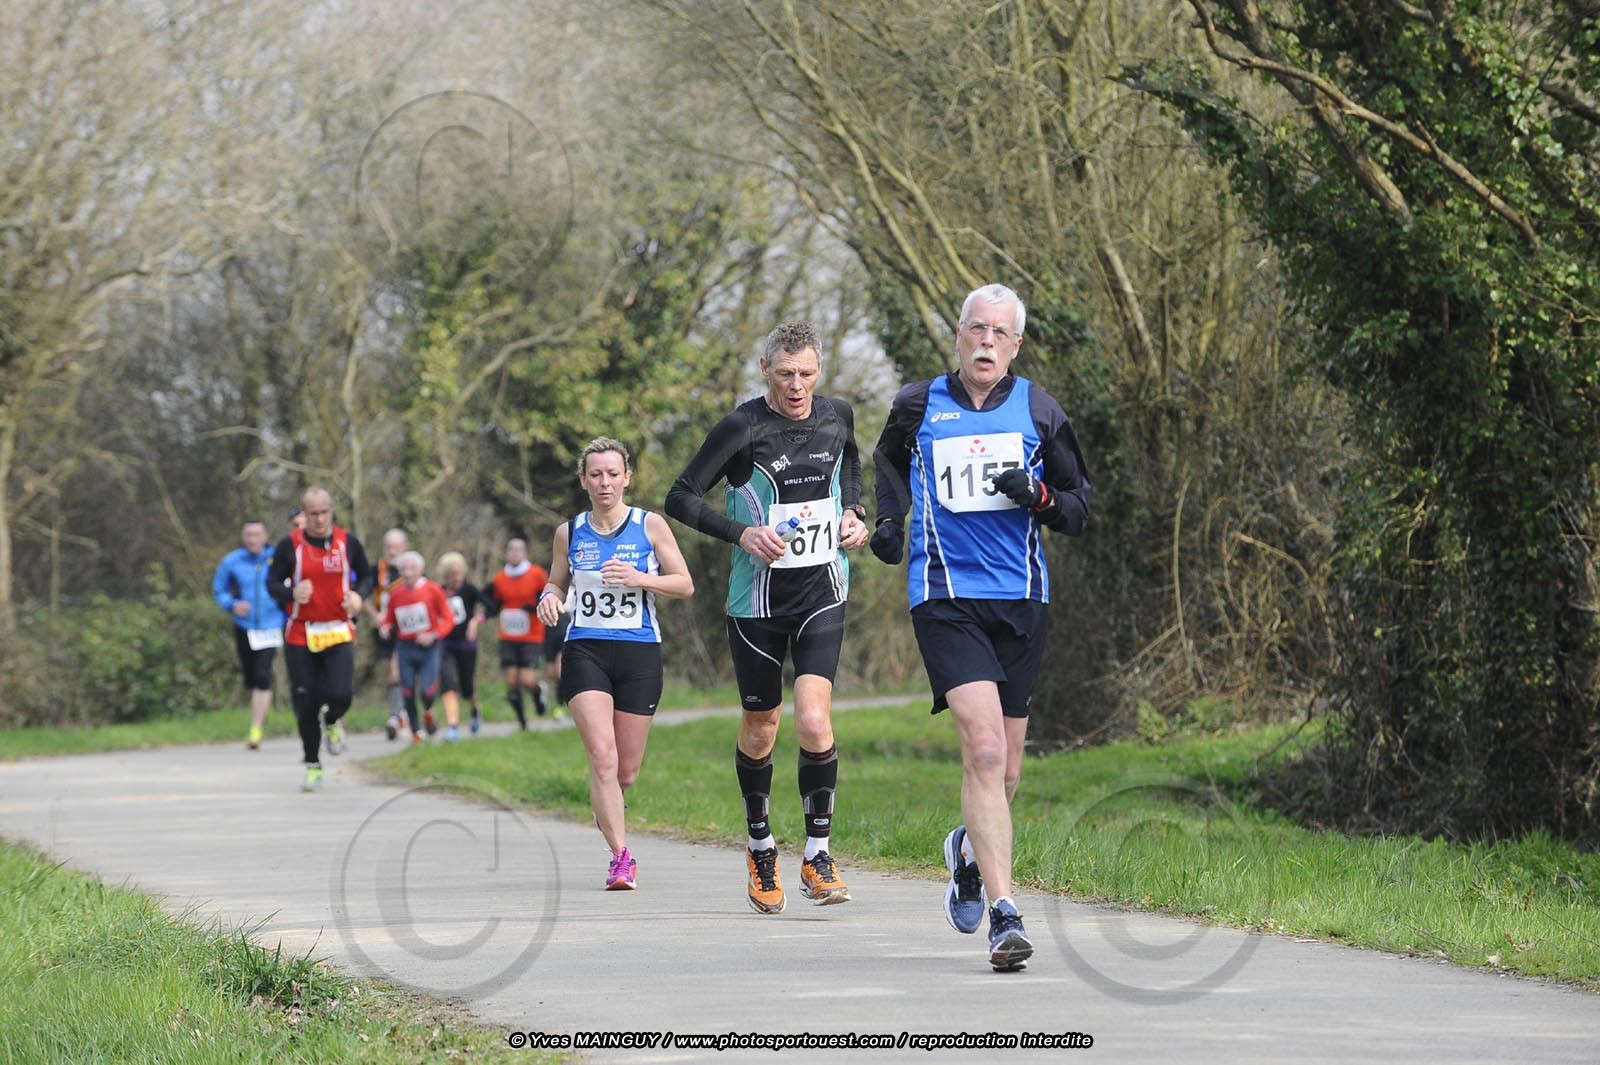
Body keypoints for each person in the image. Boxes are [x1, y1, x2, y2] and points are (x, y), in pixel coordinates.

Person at [870, 283, 1092, 972]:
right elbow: (887, 462)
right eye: (976, 328)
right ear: (959, 335)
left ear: (1015, 345)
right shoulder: (917, 404)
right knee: (986, 752)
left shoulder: (1040, 410)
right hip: (945, 597)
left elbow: (1080, 506)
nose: (986, 341)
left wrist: (1041, 496)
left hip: (1021, 599)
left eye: (1000, 332)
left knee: (1009, 770)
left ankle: (967, 852)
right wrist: (889, 522)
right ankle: (1006, 915)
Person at [665, 321, 869, 914]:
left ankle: (818, 854)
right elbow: (680, 496)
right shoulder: (742, 427)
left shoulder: (838, 415)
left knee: (814, 720)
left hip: (823, 590)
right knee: (762, 726)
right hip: (756, 603)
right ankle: (760, 847)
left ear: (819, 370)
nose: (797, 385)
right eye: (785, 374)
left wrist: (854, 513)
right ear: (765, 369)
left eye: (807, 373)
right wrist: (742, 533)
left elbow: (850, 469)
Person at [537, 437, 694, 889]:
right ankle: (620, 858)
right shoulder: (569, 532)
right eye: (596, 475)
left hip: (639, 651)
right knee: (602, 758)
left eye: (612, 474)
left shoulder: (649, 525)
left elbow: (684, 584)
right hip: (585, 649)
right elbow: (556, 581)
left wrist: (640, 578)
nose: (604, 482)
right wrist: (548, 597)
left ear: (627, 478)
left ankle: (606, 805)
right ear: (583, 481)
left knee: (625, 771)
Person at [267, 486, 375, 792]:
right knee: (306, 703)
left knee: (341, 693)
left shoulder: (347, 542)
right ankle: (313, 764)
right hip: (301, 633)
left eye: (324, 513)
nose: (318, 519)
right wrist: (291, 592)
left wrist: (358, 596)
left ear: (331, 512)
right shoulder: (289, 545)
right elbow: (271, 583)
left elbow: (368, 576)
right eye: (312, 514)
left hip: (338, 630)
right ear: (304, 514)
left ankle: (333, 721)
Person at [212, 518, 287, 749]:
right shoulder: (232, 561)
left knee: (263, 675)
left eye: (257, 535)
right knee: (251, 678)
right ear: (243, 538)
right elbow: (219, 590)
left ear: (265, 537)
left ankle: (255, 730)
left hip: (271, 625)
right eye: (248, 535)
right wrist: (232, 604)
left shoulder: (277, 559)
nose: (252, 539)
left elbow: (290, 586)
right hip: (244, 626)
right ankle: (262, 710)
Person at [378, 551, 456, 745]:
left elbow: (448, 618)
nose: (408, 573)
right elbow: (389, 618)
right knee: (407, 691)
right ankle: (416, 732)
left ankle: (428, 712)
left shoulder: (433, 589)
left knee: (427, 691)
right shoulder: (395, 593)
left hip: (428, 648)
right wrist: (385, 627)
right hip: (405, 647)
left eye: (412, 568)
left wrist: (434, 635)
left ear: (421, 570)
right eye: (404, 569)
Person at [487, 537, 549, 728]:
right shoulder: (500, 578)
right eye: (511, 549)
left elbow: (548, 596)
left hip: (531, 635)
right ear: (506, 553)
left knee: (526, 680)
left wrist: (534, 607)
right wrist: (485, 613)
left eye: (518, 549)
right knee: (512, 681)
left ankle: (538, 692)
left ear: (525, 553)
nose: (514, 553)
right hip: (508, 635)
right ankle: (522, 723)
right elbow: (495, 603)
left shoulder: (537, 574)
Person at [437, 550, 488, 740]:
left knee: (467, 688)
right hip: (446, 644)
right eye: (452, 573)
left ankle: (474, 710)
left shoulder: (469, 589)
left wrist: (475, 621)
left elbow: (490, 606)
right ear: (445, 574)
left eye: (459, 572)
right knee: (448, 683)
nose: (456, 577)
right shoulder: (439, 591)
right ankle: (452, 727)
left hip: (466, 646)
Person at [368, 528, 411, 740]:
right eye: (389, 547)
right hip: (383, 630)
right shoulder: (377, 570)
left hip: (405, 630)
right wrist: (375, 616)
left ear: (405, 548)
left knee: (397, 671)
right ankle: (401, 712)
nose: (392, 551)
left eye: (396, 547)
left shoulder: (411, 570)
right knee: (391, 673)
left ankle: (397, 716)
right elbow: (361, 594)